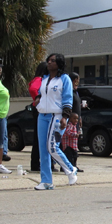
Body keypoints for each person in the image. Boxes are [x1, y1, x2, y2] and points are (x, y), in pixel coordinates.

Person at [35, 54, 78, 190]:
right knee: (43, 149)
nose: (49, 62)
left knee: (52, 146)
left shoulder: (64, 79)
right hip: (42, 115)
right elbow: (42, 94)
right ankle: (46, 181)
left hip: (57, 116)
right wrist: (38, 100)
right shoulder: (45, 78)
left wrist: (65, 117)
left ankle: (71, 170)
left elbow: (67, 99)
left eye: (53, 61)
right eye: (48, 60)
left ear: (59, 63)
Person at [28, 61, 48, 172]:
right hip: (39, 110)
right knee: (38, 138)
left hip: (40, 110)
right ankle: (35, 163)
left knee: (41, 138)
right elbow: (32, 89)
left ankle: (37, 163)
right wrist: (38, 98)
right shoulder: (39, 80)